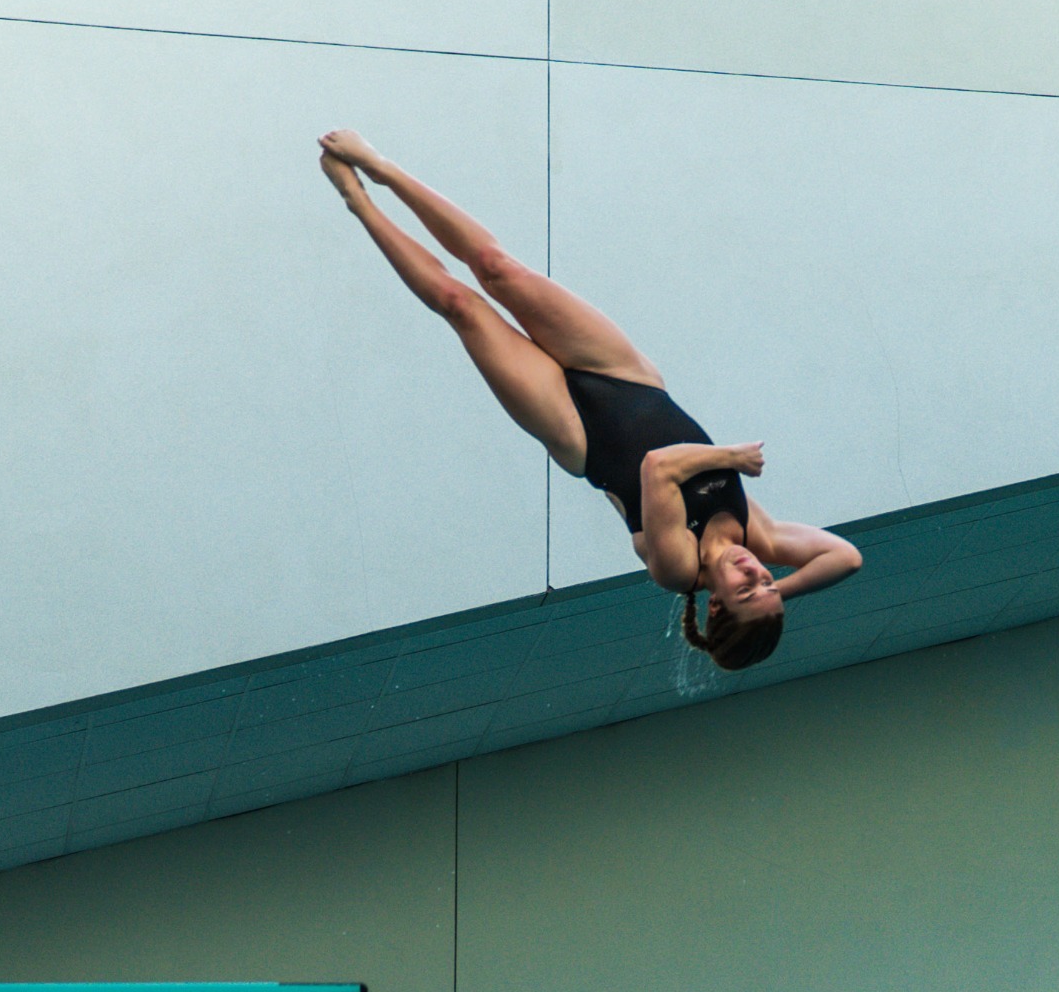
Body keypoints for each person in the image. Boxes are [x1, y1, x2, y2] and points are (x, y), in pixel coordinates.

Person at [317, 130, 861, 670]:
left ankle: (358, 201)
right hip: (629, 378)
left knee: (460, 304)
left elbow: (658, 468)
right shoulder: (756, 533)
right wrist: (773, 599)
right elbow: (846, 557)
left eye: (747, 589)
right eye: (768, 578)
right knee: (497, 267)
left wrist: (731, 459)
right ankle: (383, 169)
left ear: (715, 601)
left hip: (577, 432)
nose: (755, 571)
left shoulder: (677, 568)